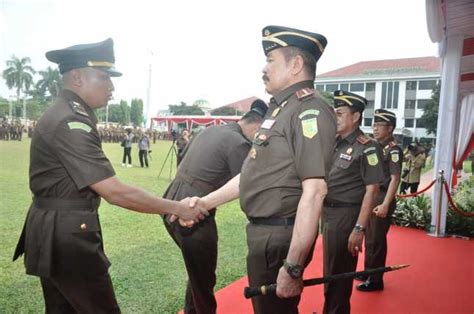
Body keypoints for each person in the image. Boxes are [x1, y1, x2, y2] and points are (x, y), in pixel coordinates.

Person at [12, 38, 208, 314]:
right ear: (77, 77)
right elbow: (114, 191)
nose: (112, 87)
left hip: (56, 230)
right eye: (104, 77)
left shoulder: (69, 113)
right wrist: (176, 208)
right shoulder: (70, 121)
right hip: (67, 236)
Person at [188, 25, 336, 314]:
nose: (264, 68)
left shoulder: (309, 110)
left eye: (271, 60)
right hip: (264, 234)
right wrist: (205, 202)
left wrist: (292, 267)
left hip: (279, 237)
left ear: (295, 65)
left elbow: (315, 190)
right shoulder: (281, 110)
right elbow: (252, 174)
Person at [163, 99, 267, 314]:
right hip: (193, 211)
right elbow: (246, 185)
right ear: (257, 127)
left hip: (173, 200)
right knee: (204, 277)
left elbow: (181, 161)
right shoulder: (239, 143)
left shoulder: (211, 130)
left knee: (197, 270)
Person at [322, 90, 385, 314]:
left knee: (339, 275)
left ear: (355, 116)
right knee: (331, 272)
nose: (334, 117)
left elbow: (373, 190)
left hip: (347, 217)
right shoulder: (334, 143)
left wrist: (359, 228)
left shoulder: (367, 147)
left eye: (339, 113)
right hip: (329, 216)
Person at [356, 109, 403, 292]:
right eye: (373, 125)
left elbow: (395, 178)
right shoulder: (377, 147)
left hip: (383, 197)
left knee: (376, 240)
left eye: (379, 125)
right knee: (369, 239)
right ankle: (368, 271)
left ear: (390, 128)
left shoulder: (393, 150)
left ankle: (376, 279)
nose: (374, 129)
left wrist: (385, 204)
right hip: (374, 197)